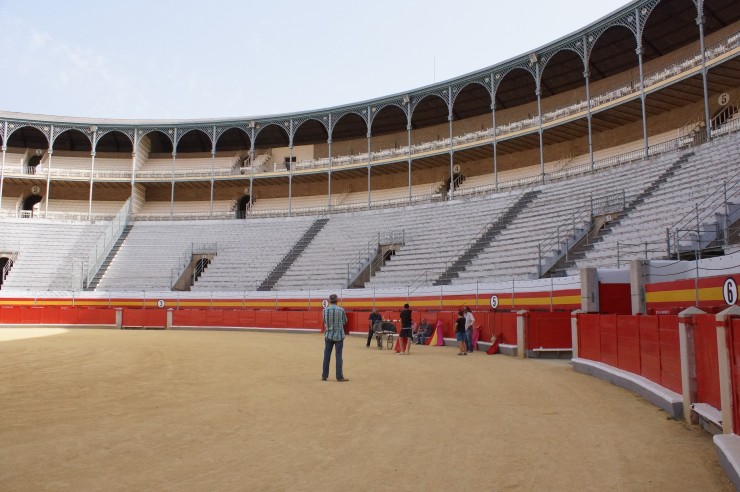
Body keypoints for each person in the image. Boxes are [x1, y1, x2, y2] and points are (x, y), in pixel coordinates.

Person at [322, 294, 349, 382]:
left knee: (326, 355)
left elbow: (324, 321)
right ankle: (339, 376)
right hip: (339, 335)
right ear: (337, 300)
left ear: (329, 301)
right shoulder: (341, 310)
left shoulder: (325, 310)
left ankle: (324, 375)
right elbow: (345, 321)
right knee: (338, 356)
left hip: (328, 335)